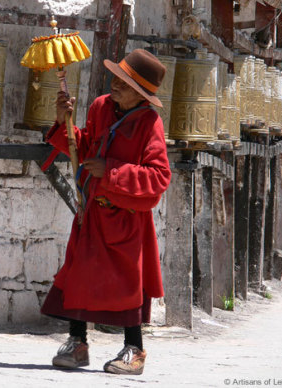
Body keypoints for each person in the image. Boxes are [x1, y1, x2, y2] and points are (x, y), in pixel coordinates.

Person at [41, 48, 172, 375]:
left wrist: (111, 172)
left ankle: (134, 349)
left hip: (124, 217)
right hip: (92, 214)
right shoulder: (101, 107)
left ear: (141, 93)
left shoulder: (148, 123)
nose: (115, 85)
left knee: (128, 285)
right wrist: (63, 121)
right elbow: (84, 148)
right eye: (115, 78)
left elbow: (159, 177)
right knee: (80, 274)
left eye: (124, 83)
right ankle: (77, 342)